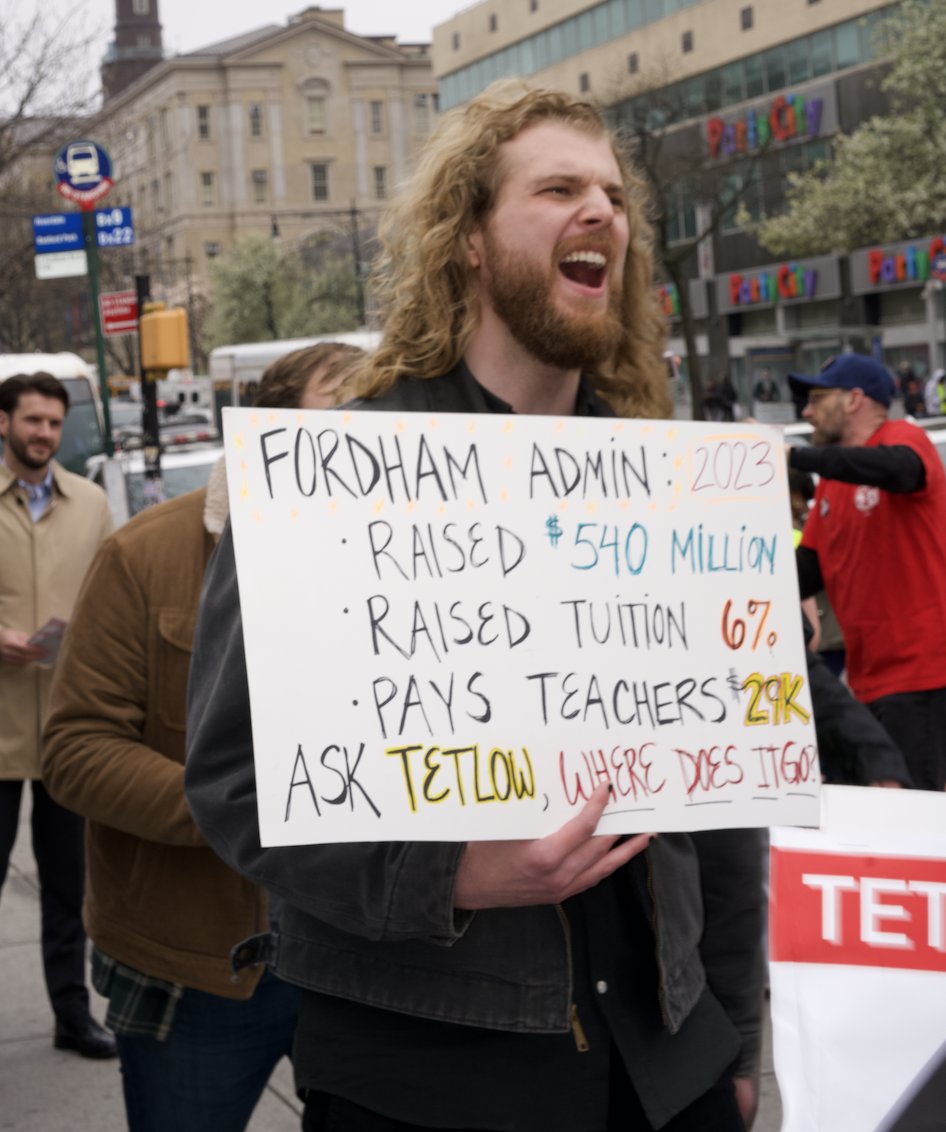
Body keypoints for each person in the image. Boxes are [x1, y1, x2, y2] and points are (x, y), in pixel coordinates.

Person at [185, 83, 764, 1132]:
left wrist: (734, 1026)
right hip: (424, 1068)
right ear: (468, 238)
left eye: (613, 194)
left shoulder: (663, 481)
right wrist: (449, 876)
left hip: (666, 1063)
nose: (601, 211)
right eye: (557, 188)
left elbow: (721, 796)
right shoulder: (338, 469)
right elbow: (234, 781)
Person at [40, 343, 362, 1131]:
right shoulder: (146, 554)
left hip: (368, 968)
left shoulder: (418, 565)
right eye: (340, 424)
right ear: (263, 433)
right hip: (198, 971)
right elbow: (76, 749)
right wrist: (236, 810)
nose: (361, 448)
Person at [0, 373, 115, 1058]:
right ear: (5, 423)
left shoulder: (93, 503)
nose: (43, 433)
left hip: (69, 733)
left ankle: (73, 1017)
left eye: (52, 423)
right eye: (32, 420)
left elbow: (113, 594)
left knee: (68, 889)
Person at [788, 353, 946, 791]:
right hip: (865, 681)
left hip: (922, 674)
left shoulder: (904, 438)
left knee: (916, 822)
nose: (806, 411)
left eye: (817, 398)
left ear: (855, 399)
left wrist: (798, 457)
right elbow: (809, 572)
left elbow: (898, 469)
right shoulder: (834, 482)